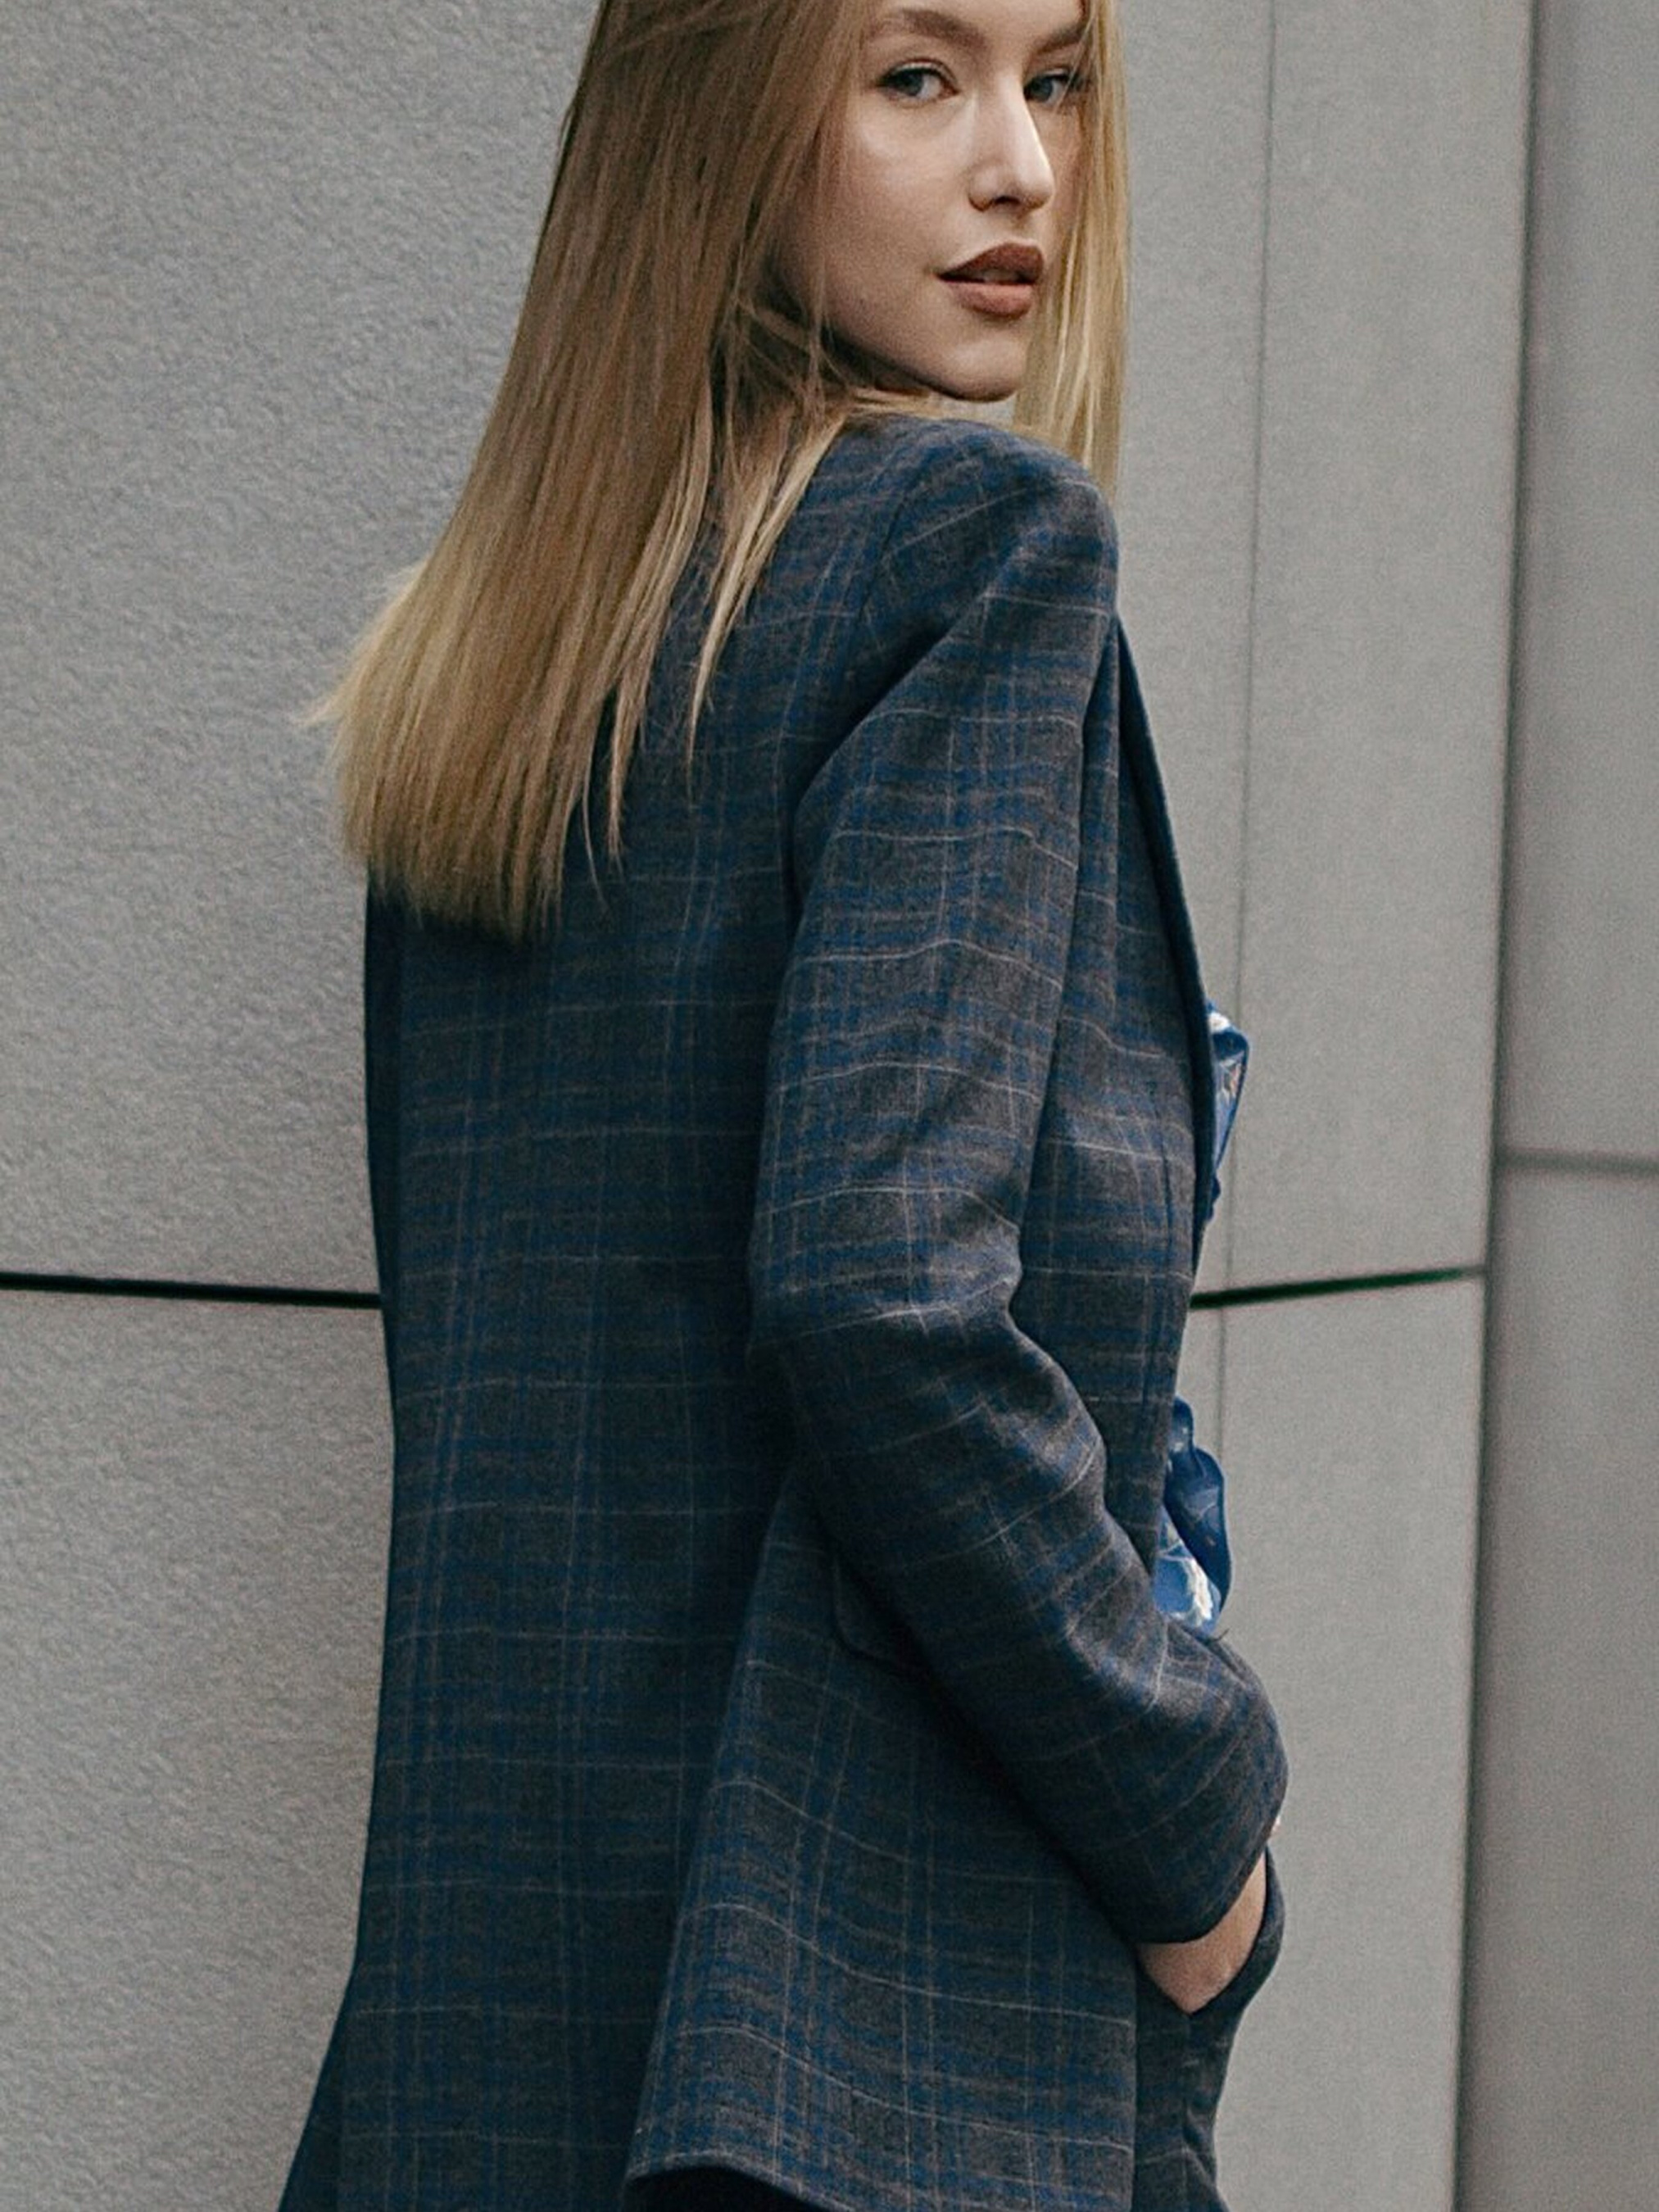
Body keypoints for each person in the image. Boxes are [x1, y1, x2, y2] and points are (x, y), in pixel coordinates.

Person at [278, 0, 1289, 2205]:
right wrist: (1195, 1824)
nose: (1023, 168)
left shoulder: (510, 657)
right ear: (714, 125)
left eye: (1053, 79)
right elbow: (880, 1299)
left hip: (492, 2014)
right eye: (916, 77)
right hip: (854, 2041)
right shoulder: (975, 551)